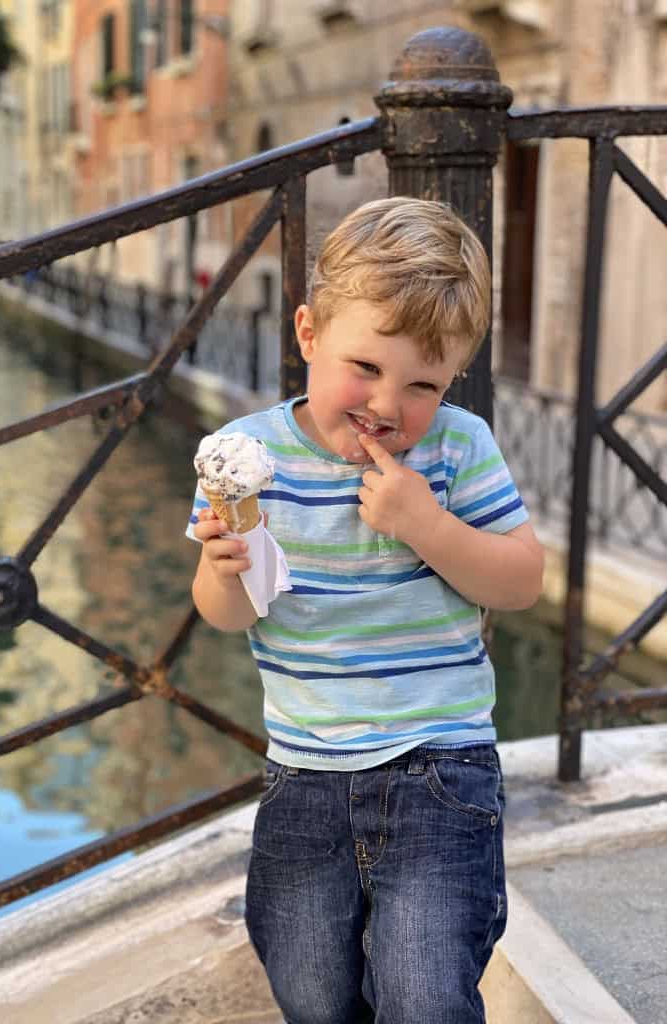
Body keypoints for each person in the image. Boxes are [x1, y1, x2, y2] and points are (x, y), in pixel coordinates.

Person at [186, 197, 544, 1024]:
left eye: (423, 382)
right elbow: (227, 614)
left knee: (425, 997)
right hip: (303, 771)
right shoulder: (252, 457)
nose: (388, 403)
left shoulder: (458, 448)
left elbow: (520, 581)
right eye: (366, 368)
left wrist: (428, 525)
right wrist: (224, 565)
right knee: (310, 989)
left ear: (452, 377)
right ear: (309, 335)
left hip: (441, 769)